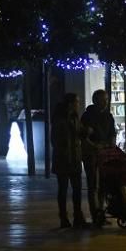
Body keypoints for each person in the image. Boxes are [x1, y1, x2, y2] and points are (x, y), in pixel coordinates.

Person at [81, 89, 116, 227]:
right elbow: (83, 136)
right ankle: (95, 214)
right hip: (91, 153)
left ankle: (101, 212)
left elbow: (112, 132)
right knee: (93, 185)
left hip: (105, 153)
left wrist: (110, 143)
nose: (106, 102)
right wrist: (95, 145)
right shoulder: (87, 116)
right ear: (95, 101)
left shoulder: (108, 116)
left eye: (106, 99)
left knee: (103, 184)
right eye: (103, 100)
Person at [51, 93, 85, 229]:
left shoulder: (75, 117)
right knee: (63, 190)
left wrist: (86, 131)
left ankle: (78, 217)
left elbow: (80, 131)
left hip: (75, 159)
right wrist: (64, 150)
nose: (78, 105)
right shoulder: (60, 119)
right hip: (63, 160)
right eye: (77, 102)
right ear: (70, 104)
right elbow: (55, 139)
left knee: (77, 190)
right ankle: (64, 218)